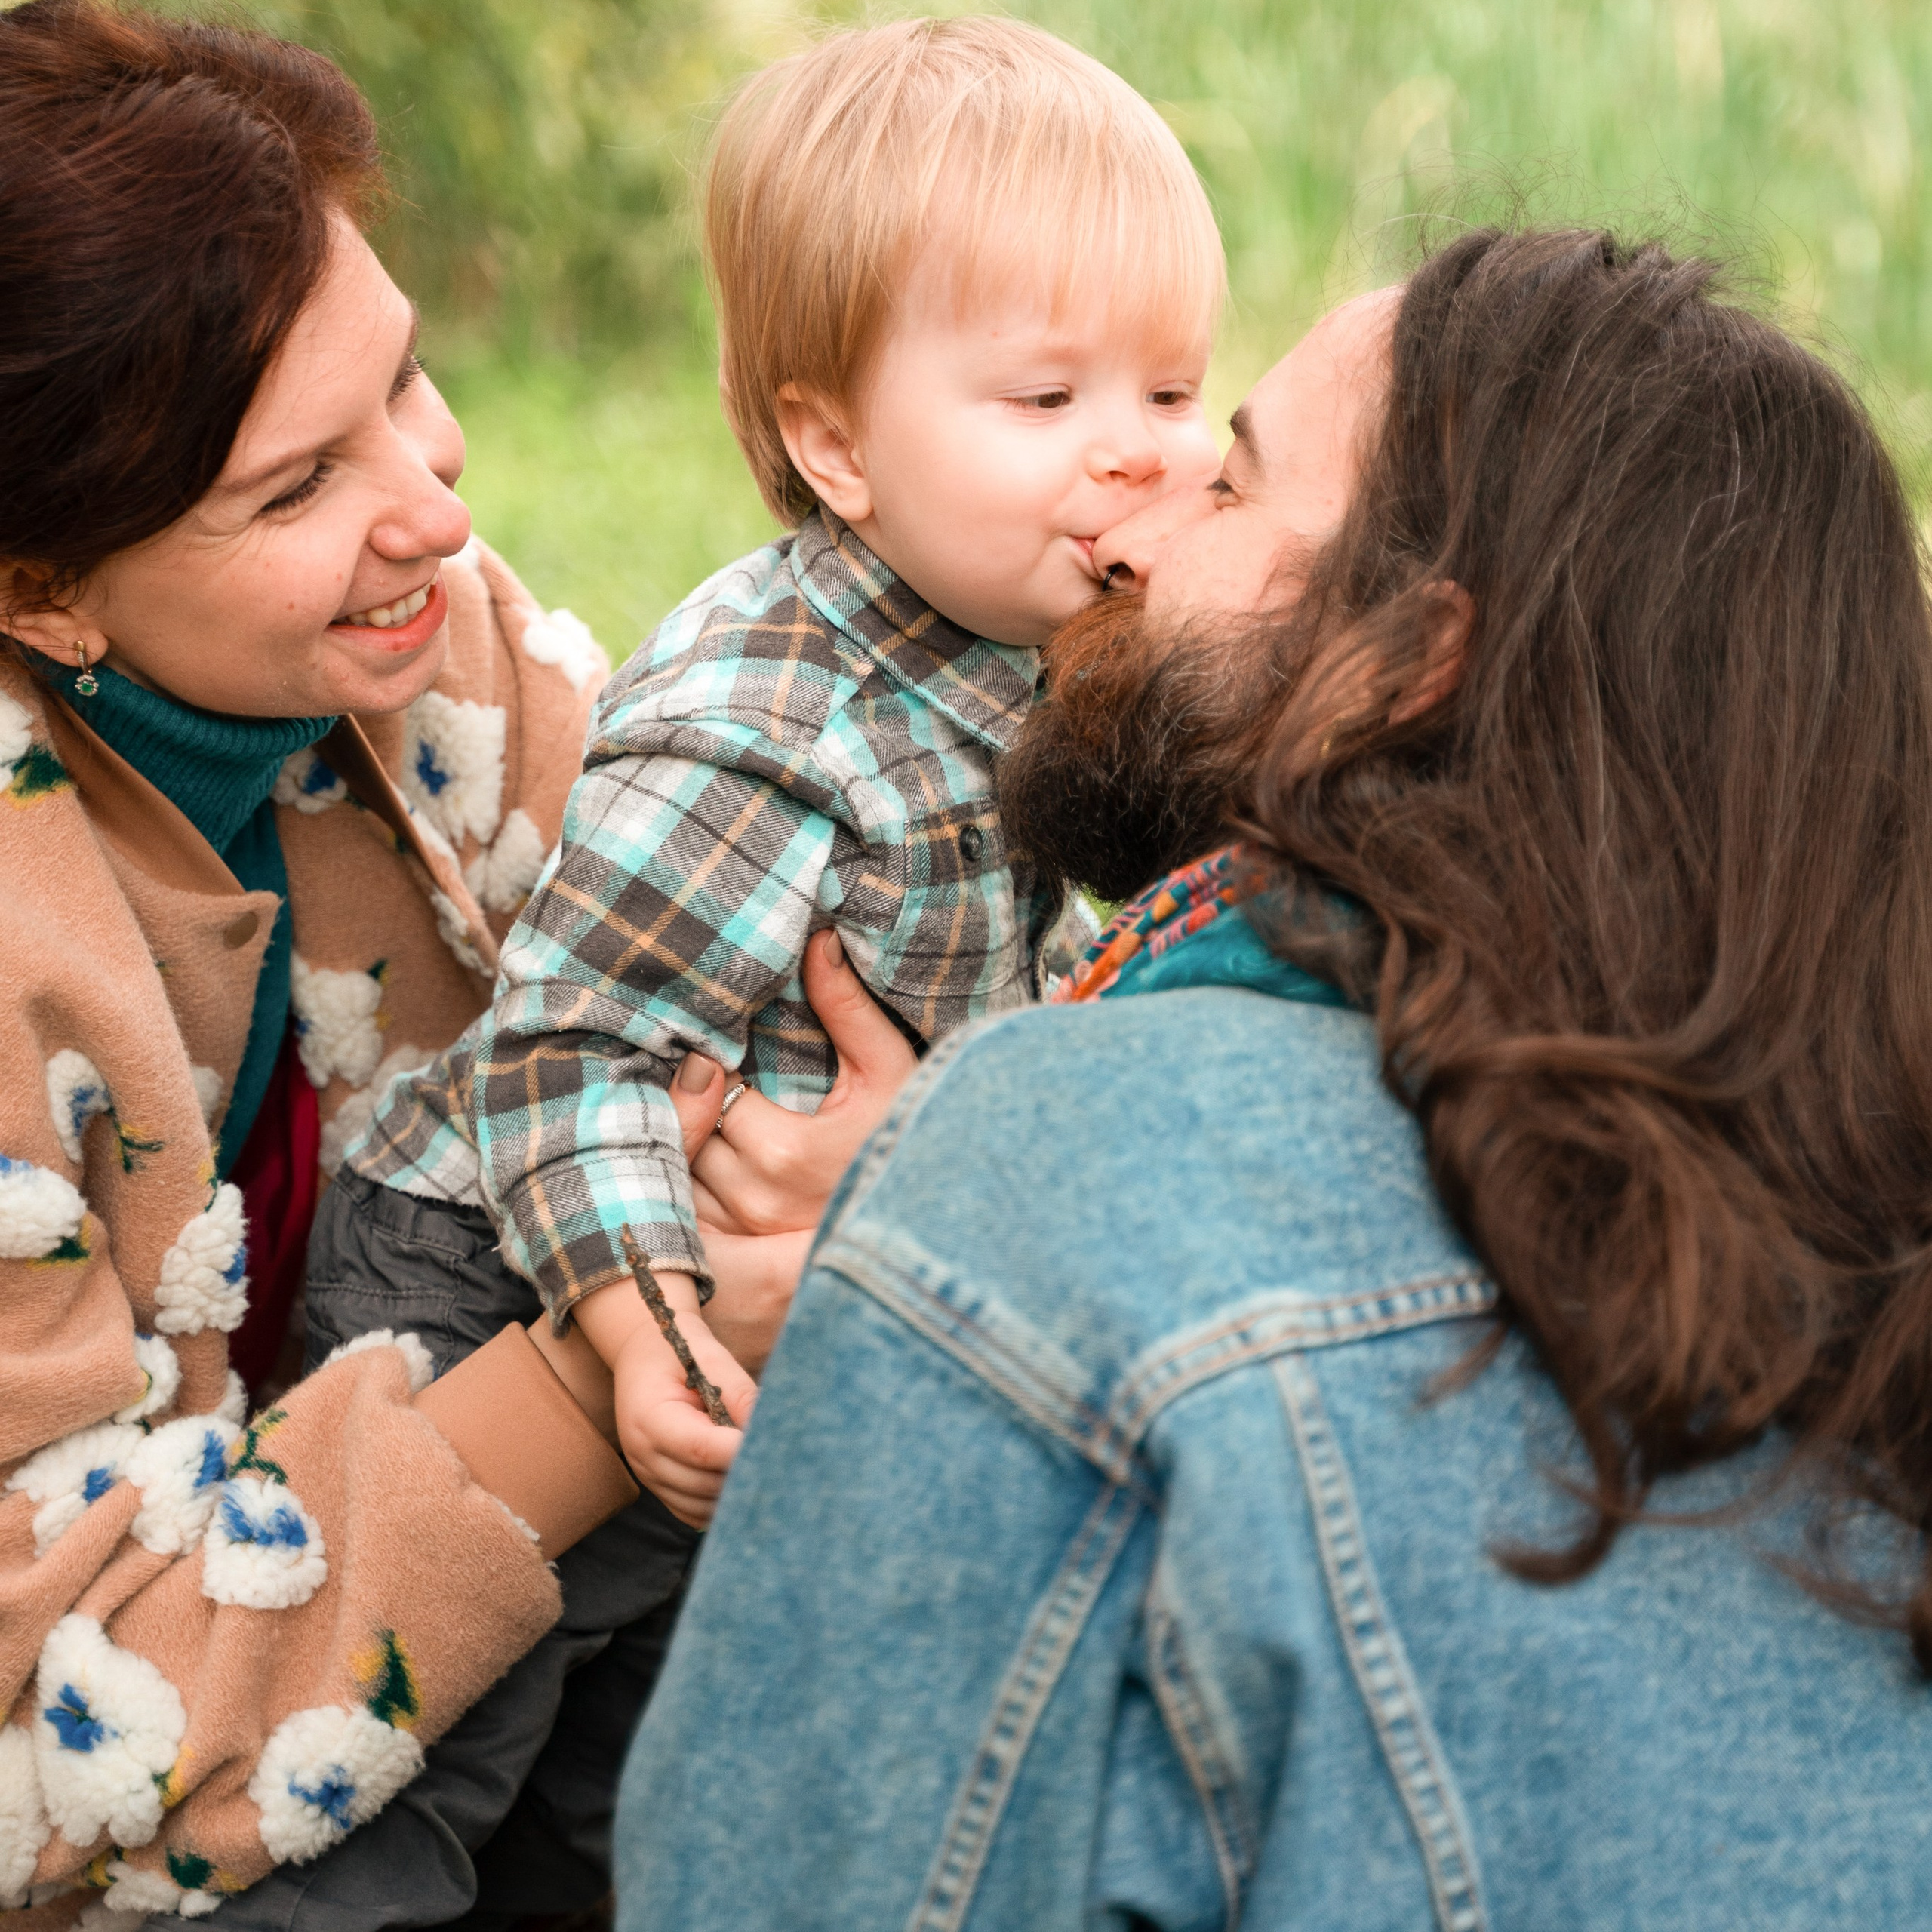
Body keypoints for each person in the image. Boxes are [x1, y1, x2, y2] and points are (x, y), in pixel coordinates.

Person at [614, 229, 1932, 1928]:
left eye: (1226, 486)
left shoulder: (1046, 1167)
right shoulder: (1866, 1174)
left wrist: (964, 1200)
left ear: (1402, 660)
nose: (1128, 536)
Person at [296, 20, 1220, 1924]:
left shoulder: (1031, 642)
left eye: (1173, 384)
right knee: (405, 1768)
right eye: (1045, 395)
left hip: (724, 1316)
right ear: (829, 445)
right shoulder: (768, 717)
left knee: (645, 1774)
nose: (1137, 448)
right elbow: (566, 1048)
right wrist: (631, 1333)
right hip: (523, 1278)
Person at [0, 3, 641, 1920]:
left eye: (408, 380)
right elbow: (54, 1754)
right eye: (296, 489)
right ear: (35, 588)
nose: (437, 505)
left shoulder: (447, 664)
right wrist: (612, 1379)